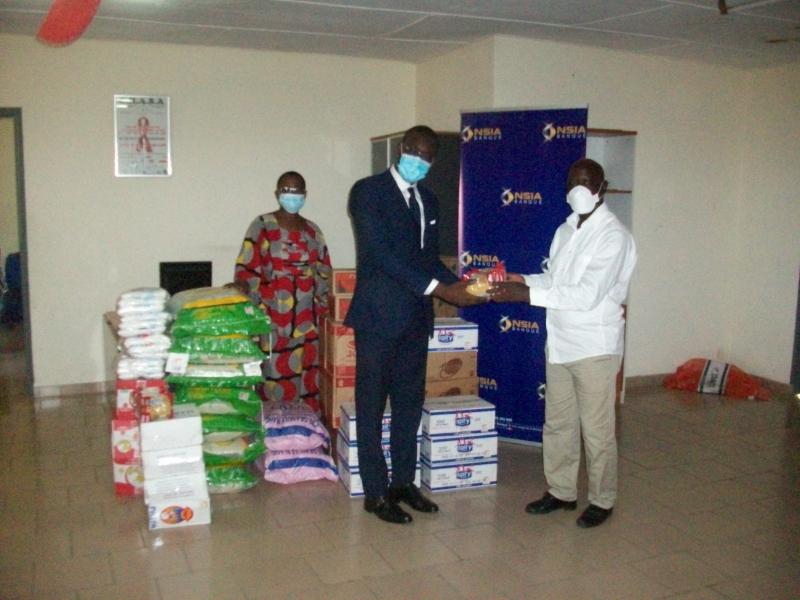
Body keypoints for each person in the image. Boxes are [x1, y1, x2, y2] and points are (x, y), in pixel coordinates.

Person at [345, 126, 486, 524]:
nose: (419, 161)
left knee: (409, 406)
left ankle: (403, 483)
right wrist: (442, 290)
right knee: (371, 406)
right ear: (402, 149)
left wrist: (460, 286)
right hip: (378, 317)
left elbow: (426, 258)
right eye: (414, 152)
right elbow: (382, 255)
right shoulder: (368, 192)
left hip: (415, 318)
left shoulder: (429, 199)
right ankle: (375, 492)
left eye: (427, 156)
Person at [489, 158, 637, 528]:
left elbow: (586, 294)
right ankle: (561, 492)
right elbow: (554, 280)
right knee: (558, 424)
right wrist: (520, 280)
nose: (578, 189)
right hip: (560, 343)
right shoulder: (565, 230)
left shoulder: (613, 236)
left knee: (597, 431)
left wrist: (525, 296)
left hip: (594, 347)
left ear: (602, 188)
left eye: (586, 182)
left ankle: (602, 499)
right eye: (572, 183)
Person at [234, 171, 332, 413]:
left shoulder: (313, 231)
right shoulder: (262, 226)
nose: (292, 195)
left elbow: (324, 274)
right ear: (277, 193)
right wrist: (253, 316)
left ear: (305, 195)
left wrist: (325, 317)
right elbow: (247, 270)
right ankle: (275, 433)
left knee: (309, 386)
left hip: (308, 325)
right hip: (273, 324)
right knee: (275, 385)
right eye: (286, 190)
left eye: (297, 191)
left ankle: (306, 434)